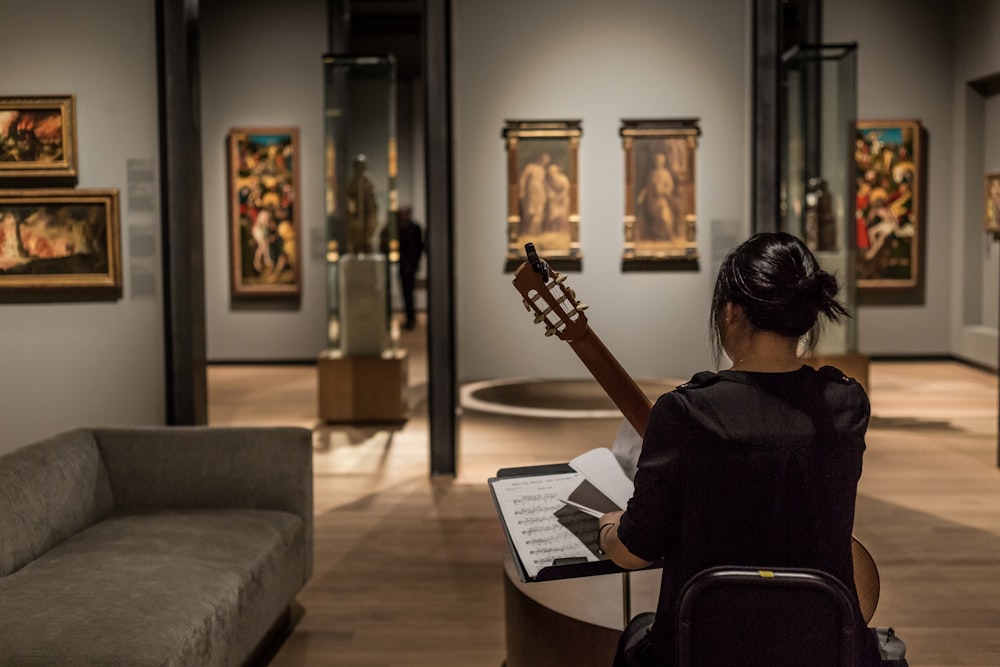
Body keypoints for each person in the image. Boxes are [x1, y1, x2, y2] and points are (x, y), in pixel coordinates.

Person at [599, 232, 884, 667]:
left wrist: (608, 528)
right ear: (805, 317)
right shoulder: (846, 406)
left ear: (731, 311)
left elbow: (635, 549)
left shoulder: (685, 413)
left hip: (702, 649)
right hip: (822, 647)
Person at [396, 206, 424, 329]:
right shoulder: (399, 228)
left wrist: (415, 262)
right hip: (403, 265)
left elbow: (419, 247)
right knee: (405, 293)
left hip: (410, 265)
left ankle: (411, 318)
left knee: (409, 293)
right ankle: (409, 317)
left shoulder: (415, 228)